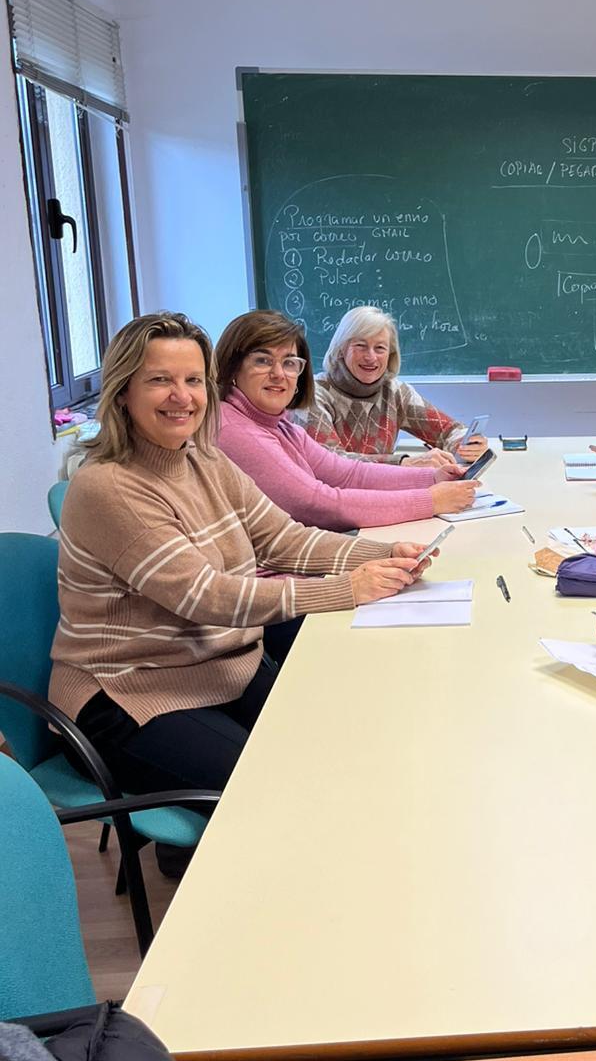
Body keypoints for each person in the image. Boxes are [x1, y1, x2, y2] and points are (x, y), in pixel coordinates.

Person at [51, 313, 433, 810]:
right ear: (123, 391)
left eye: (192, 381)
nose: (181, 396)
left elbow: (284, 541)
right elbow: (205, 596)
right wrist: (347, 589)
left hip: (220, 667)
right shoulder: (108, 486)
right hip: (129, 691)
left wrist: (386, 555)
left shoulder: (205, 459)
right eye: (160, 380)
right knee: (277, 793)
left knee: (345, 746)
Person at [213, 310, 479, 528]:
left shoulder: (279, 425)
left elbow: (348, 473)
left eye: (290, 363)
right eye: (262, 361)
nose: (279, 374)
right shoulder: (236, 429)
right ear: (233, 367)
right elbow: (318, 504)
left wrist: (432, 478)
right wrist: (430, 500)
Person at [306, 304, 489, 467]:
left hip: (384, 495)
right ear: (340, 350)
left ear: (390, 354)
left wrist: (466, 445)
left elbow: (449, 431)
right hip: (333, 499)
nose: (371, 357)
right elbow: (330, 463)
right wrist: (403, 462)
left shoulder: (396, 392)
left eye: (380, 348)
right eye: (361, 346)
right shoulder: (313, 394)